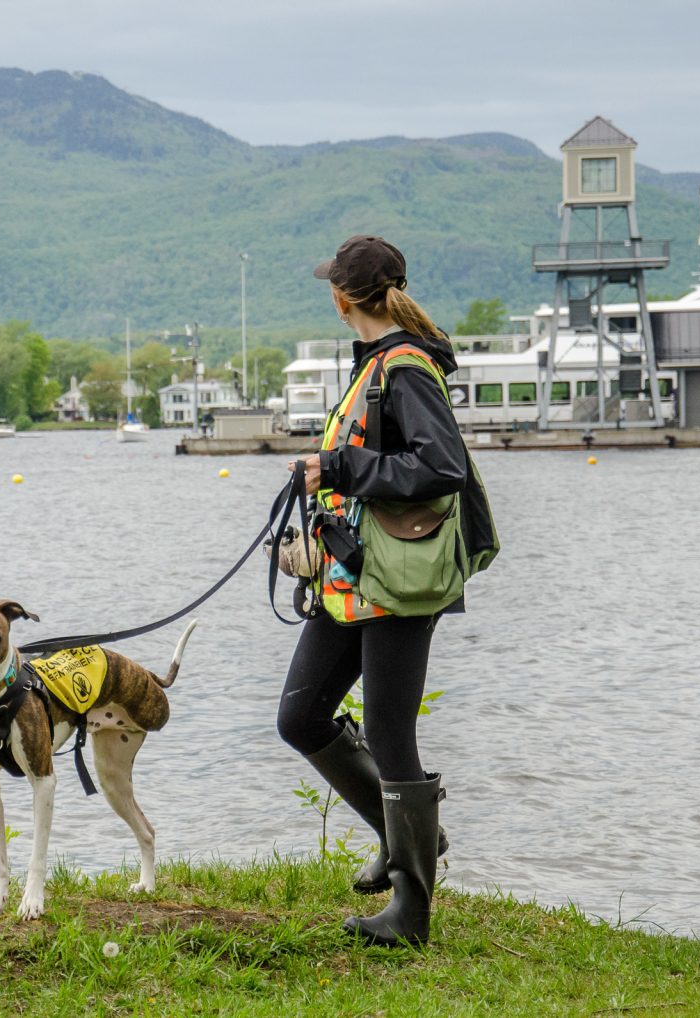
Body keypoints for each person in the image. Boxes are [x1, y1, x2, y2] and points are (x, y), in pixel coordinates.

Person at [278, 234, 481, 948]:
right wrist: (330, 470)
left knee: (392, 733)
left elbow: (440, 467)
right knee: (301, 719)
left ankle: (412, 911)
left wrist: (337, 466)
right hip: (352, 578)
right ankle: (405, 839)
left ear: (342, 299)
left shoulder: (407, 367)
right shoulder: (377, 364)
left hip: (400, 582)